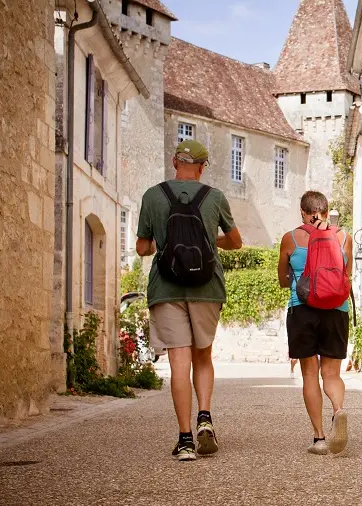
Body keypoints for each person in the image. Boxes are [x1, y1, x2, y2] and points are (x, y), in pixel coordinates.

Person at [136, 139, 242, 461]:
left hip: (166, 290)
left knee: (178, 364)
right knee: (203, 358)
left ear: (174, 162)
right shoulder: (215, 198)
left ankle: (184, 441)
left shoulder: (153, 196)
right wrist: (209, 239)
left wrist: (161, 245)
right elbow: (236, 242)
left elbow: (143, 248)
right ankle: (205, 419)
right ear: (202, 167)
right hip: (206, 287)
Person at [278, 191, 353, 455]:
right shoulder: (343, 237)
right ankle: (339, 410)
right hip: (336, 310)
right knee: (332, 374)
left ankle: (319, 438)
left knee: (310, 374)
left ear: (302, 211)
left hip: (303, 310)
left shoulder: (291, 238)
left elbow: (283, 280)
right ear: (326, 210)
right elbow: (347, 275)